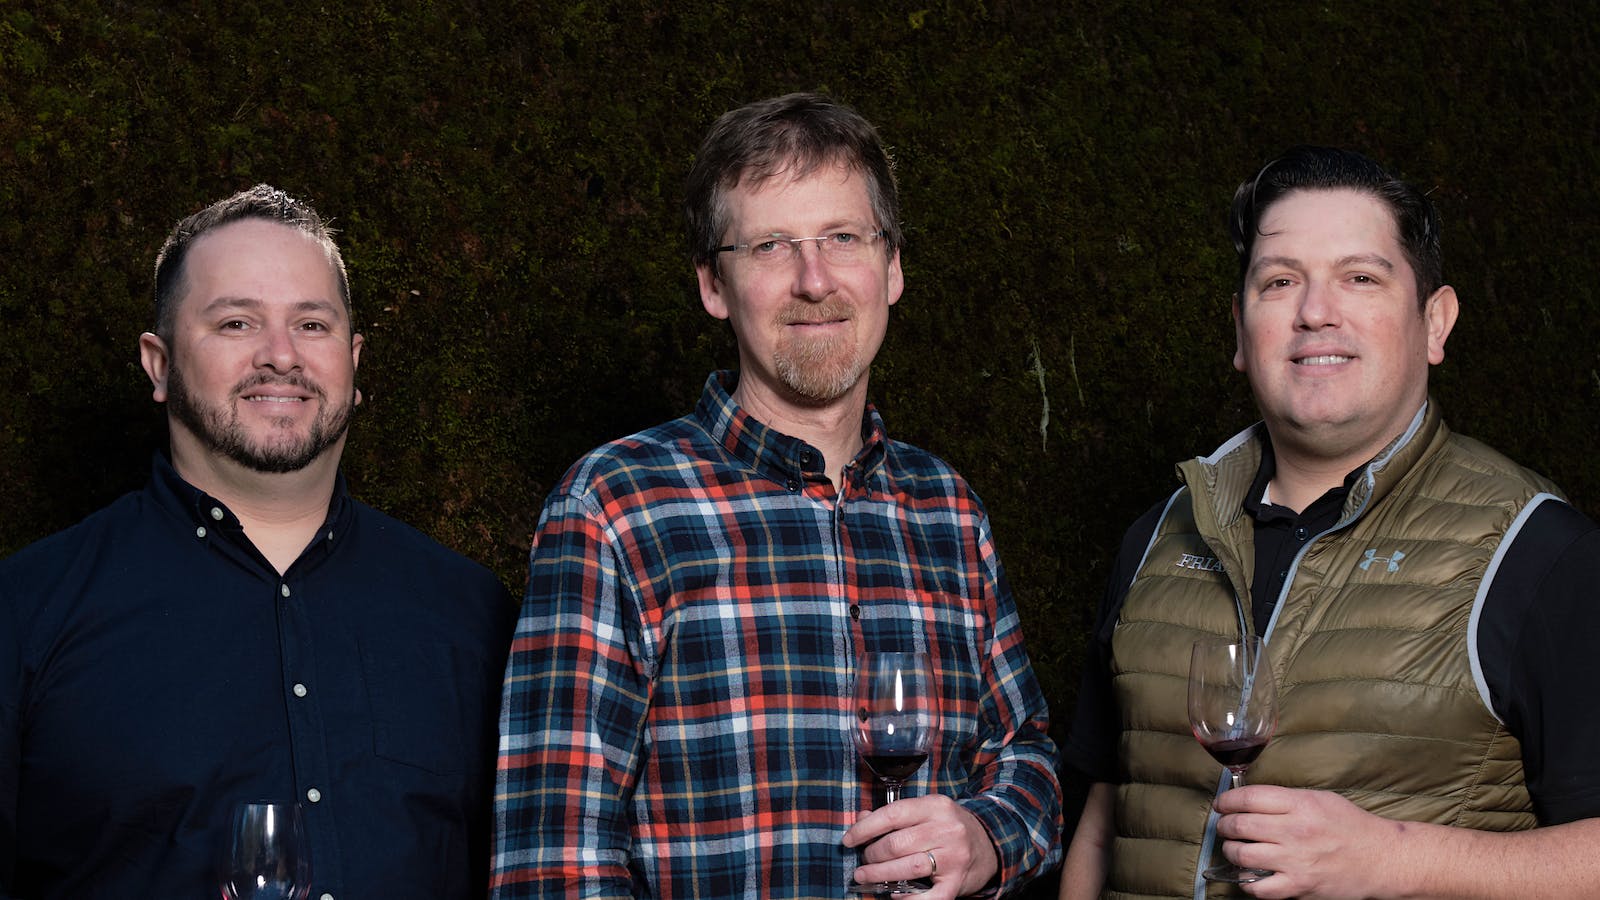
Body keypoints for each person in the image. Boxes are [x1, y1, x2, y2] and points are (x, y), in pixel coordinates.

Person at [491, 93, 1062, 900]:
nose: (814, 279)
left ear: (892, 266)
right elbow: (551, 863)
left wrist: (987, 836)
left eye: (843, 237)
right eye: (770, 246)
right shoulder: (613, 507)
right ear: (714, 285)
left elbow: (1028, 757)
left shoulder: (949, 510)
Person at [1059, 146, 1600, 900]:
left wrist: (1395, 860)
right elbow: (1107, 814)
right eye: (1280, 282)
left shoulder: (1539, 552)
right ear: (1241, 334)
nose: (1315, 312)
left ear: (1434, 322)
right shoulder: (1156, 536)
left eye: (1360, 278)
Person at [0, 185, 517, 899]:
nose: (281, 356)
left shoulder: (474, 614)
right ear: (159, 363)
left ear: (355, 360)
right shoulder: (26, 611)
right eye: (237, 322)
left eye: (312, 325)